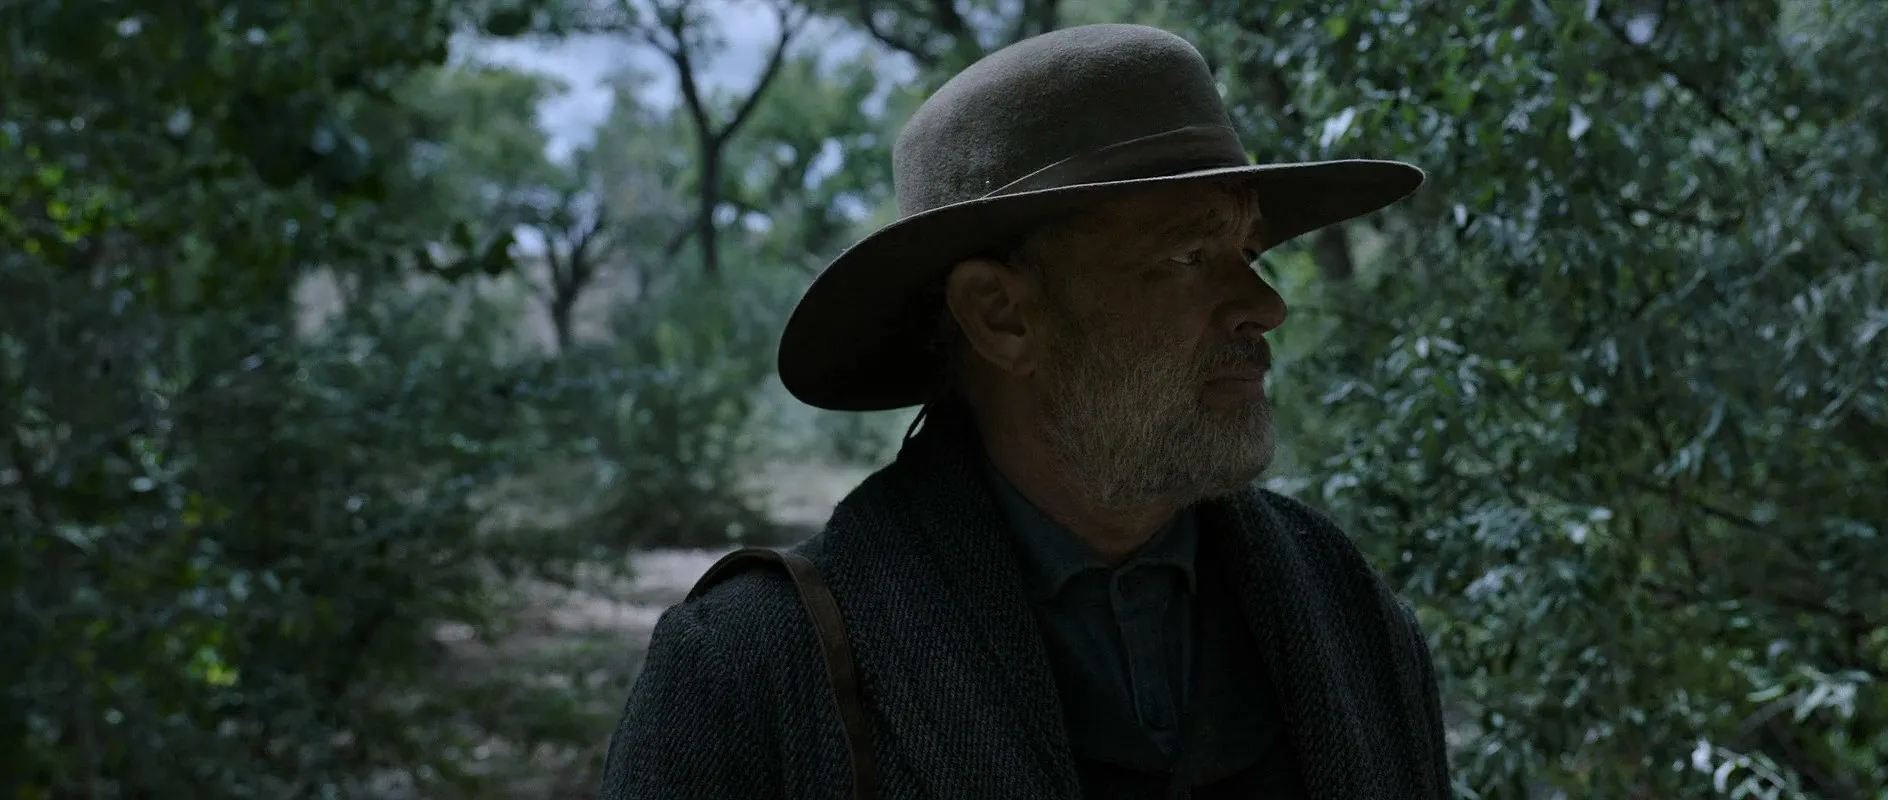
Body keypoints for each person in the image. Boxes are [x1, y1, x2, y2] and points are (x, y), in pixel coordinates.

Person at [599, 23, 1452, 799]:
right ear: (1002, 315)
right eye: (1191, 256)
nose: (1265, 306)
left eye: (1249, 251)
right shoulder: (750, 671)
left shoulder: (1344, 609)